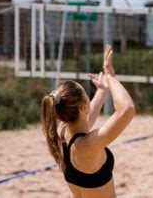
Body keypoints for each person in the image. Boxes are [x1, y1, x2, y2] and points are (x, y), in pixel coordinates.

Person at [40, 45, 135, 198]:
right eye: (86, 94)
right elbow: (127, 109)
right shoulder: (88, 145)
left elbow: (85, 119)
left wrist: (102, 90)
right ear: (84, 107)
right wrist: (110, 76)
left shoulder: (62, 132)